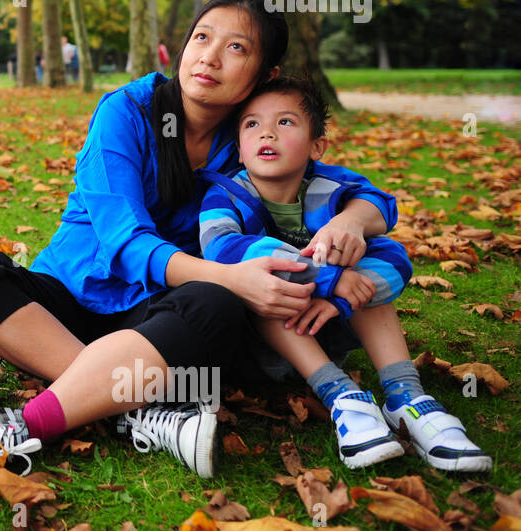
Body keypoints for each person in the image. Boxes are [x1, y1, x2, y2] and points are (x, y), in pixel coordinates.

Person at [0, 0, 398, 486]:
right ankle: (134, 413)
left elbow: (357, 193)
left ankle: (71, 406)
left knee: (218, 305)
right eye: (202, 38)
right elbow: (125, 244)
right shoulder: (126, 112)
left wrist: (350, 222)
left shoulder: (253, 136)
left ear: (265, 75)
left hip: (157, 321)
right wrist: (231, 276)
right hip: (66, 301)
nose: (210, 57)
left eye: (237, 48)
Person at [199, 77, 492, 472]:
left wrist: (342, 273)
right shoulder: (225, 195)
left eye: (285, 122)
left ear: (317, 145)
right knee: (261, 282)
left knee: (364, 268)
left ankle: (406, 398)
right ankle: (342, 397)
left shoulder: (334, 187)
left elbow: (388, 232)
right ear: (239, 145)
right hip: (260, 341)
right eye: (251, 124)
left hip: (329, 322)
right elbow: (222, 249)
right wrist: (325, 279)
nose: (266, 132)